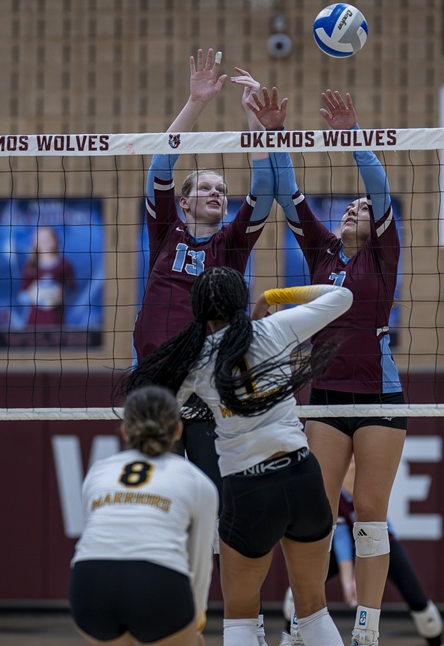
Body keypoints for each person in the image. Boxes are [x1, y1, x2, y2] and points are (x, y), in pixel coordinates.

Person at [125, 265, 353, 646]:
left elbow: (158, 409)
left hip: (249, 491)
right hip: (302, 477)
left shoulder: (195, 359)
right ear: (240, 301)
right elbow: (342, 297)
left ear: (199, 311)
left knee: (241, 618)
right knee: (315, 611)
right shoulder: (277, 329)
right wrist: (275, 298)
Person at [258, 86, 404, 646]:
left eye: (360, 209)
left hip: (379, 394)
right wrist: (271, 132)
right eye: (347, 206)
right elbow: (291, 197)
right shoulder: (321, 253)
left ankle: (366, 636)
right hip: (324, 394)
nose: (353, 208)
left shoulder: (383, 252)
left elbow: (380, 190)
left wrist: (352, 132)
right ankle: (304, 627)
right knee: (314, 515)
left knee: (369, 512)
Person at [135, 48, 283, 498]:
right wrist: (196, 102)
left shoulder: (231, 244)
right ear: (184, 201)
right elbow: (161, 165)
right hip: (156, 372)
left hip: (206, 379)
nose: (217, 192)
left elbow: (264, 188)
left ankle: (211, 562)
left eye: (222, 189)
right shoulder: (166, 230)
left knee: (207, 491)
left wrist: (256, 127)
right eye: (205, 187)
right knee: (155, 494)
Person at [68, 385, 219, 646]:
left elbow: (92, 539)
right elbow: (200, 565)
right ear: (178, 430)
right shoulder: (198, 481)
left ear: (125, 430)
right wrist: (193, 626)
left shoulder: (99, 471)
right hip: (157, 585)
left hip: (90, 585)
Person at [268, 457, 444, 646]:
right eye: (348, 457)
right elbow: (341, 534)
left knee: (420, 602)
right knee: (296, 592)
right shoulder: (331, 483)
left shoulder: (371, 479)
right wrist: (347, 578)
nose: (351, 461)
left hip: (375, 542)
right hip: (342, 545)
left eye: (355, 457)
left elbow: (375, 525)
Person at [20, 225, 75, 327]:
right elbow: (21, 295)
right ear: (35, 243)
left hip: (57, 321)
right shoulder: (30, 266)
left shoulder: (65, 265)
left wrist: (62, 294)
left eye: (48, 239)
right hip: (34, 322)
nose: (45, 243)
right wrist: (32, 294)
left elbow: (74, 291)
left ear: (55, 240)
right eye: (41, 239)